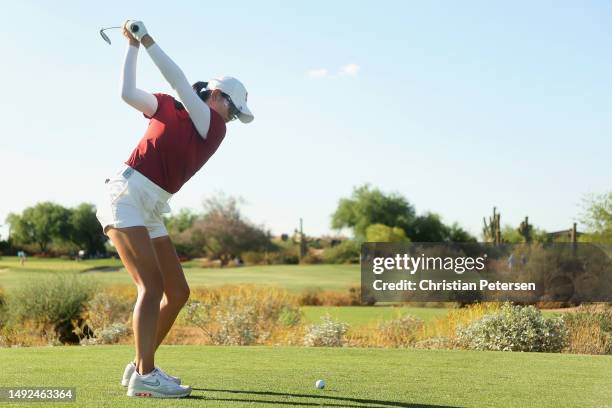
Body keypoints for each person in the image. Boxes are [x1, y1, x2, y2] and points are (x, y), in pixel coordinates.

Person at [95, 20, 253, 399]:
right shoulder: (169, 108)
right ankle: (145, 377)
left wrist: (145, 40)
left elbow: (182, 84)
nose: (231, 117)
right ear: (218, 96)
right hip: (126, 195)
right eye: (233, 109)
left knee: (177, 291)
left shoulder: (212, 127)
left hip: (151, 206)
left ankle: (139, 364)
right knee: (150, 286)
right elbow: (128, 93)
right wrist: (135, 44)